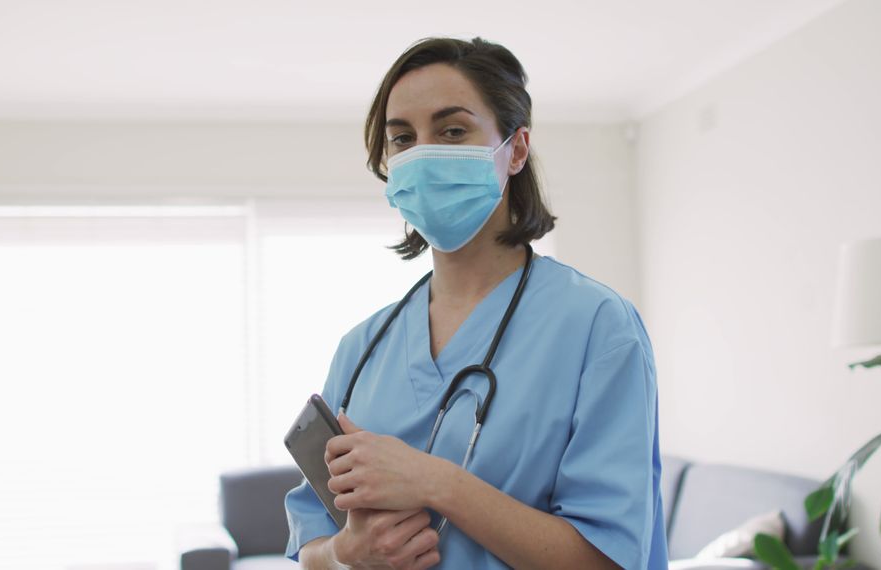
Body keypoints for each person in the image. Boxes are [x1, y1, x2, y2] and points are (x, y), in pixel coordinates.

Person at [284, 37, 667, 570]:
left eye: (453, 130)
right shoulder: (363, 347)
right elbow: (311, 546)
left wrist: (437, 482)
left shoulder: (598, 328)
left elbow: (610, 558)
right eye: (402, 139)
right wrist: (346, 554)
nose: (423, 153)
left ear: (515, 149)